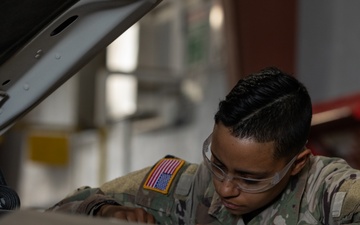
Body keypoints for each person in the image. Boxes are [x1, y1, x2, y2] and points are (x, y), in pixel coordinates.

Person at [46, 67, 360, 224]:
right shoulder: (191, 186)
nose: (225, 189)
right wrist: (105, 210)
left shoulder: (331, 194)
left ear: (298, 164)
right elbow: (60, 210)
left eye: (249, 179)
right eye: (219, 164)